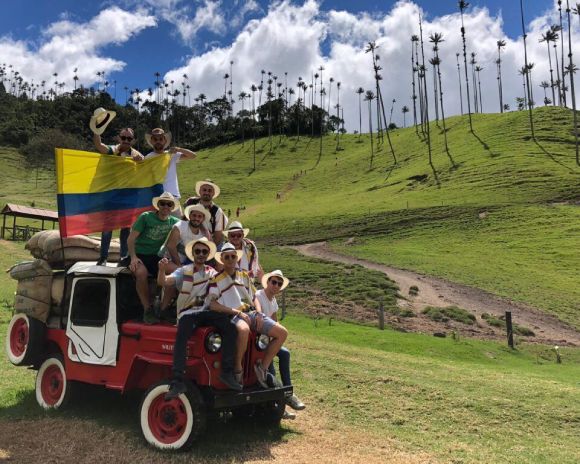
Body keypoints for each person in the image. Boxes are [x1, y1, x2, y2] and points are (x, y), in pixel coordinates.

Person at [157, 238, 241, 397]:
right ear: (193, 254)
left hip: (206, 312)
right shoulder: (184, 271)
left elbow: (228, 284)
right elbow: (165, 282)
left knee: (230, 328)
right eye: (198, 251)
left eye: (204, 251)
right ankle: (177, 381)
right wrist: (161, 269)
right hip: (188, 313)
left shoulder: (213, 273)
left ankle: (227, 371)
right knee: (182, 336)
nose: (201, 254)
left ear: (208, 254)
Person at [206, 243, 287, 388]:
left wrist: (259, 313)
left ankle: (263, 368)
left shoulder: (243, 275)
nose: (230, 259)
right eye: (227, 257)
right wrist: (236, 312)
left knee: (282, 333)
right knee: (243, 330)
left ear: (237, 258)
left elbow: (254, 296)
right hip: (234, 314)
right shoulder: (216, 280)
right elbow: (212, 304)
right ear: (222, 260)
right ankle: (238, 368)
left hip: (250, 312)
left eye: (233, 256)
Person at [89, 108, 144, 266]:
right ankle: (103, 258)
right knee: (107, 229)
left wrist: (141, 161)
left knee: (126, 229)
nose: (126, 140)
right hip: (111, 196)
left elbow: (144, 170)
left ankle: (123, 258)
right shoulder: (112, 150)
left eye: (129, 138)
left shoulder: (136, 154)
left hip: (128, 197)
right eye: (123, 137)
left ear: (133, 140)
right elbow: (98, 145)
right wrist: (97, 129)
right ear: (119, 138)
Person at [255, 270, 305, 419]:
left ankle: (288, 393)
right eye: (274, 282)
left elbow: (275, 322)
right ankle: (279, 406)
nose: (276, 285)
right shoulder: (259, 296)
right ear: (268, 282)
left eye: (279, 283)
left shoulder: (273, 301)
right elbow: (260, 319)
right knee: (271, 369)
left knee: (285, 353)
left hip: (268, 339)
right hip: (259, 342)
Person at [127, 191, 179, 320]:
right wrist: (133, 257)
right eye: (163, 203)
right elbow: (131, 239)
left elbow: (190, 228)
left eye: (169, 204)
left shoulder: (175, 222)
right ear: (158, 205)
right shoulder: (145, 217)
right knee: (141, 273)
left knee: (177, 272)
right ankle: (147, 309)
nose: (165, 207)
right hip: (139, 255)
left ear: (172, 207)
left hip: (157, 257)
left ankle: (163, 309)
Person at [159, 204, 212, 312]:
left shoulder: (203, 232)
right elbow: (170, 246)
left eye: (199, 216)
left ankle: (176, 307)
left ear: (202, 218)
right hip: (169, 259)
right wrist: (180, 265)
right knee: (182, 275)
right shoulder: (180, 226)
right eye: (194, 215)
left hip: (188, 263)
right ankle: (164, 309)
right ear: (189, 216)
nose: (196, 218)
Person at [144, 128, 196, 215]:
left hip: (173, 196)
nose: (158, 141)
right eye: (155, 139)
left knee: (177, 225)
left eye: (161, 139)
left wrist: (178, 149)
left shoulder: (171, 155)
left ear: (165, 141)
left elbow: (193, 155)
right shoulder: (148, 158)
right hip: (157, 197)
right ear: (151, 141)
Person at [184, 179, 228, 248]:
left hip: (208, 244)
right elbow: (184, 221)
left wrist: (209, 249)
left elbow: (218, 237)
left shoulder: (217, 211)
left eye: (210, 191)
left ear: (213, 194)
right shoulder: (190, 202)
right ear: (199, 191)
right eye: (204, 190)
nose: (207, 193)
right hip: (188, 240)